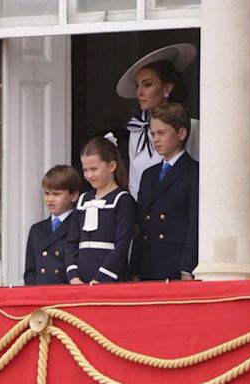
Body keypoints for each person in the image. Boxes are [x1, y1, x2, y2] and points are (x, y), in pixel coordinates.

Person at [116, 43, 200, 200]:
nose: (139, 92)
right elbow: (135, 183)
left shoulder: (192, 126)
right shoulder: (137, 130)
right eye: (137, 86)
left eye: (147, 84)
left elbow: (197, 176)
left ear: (167, 88)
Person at [129, 103, 199, 281]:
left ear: (181, 133)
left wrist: (187, 268)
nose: (155, 140)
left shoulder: (194, 172)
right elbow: (141, 225)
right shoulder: (148, 175)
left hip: (174, 262)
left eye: (162, 133)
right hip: (148, 263)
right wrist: (134, 269)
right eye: (152, 134)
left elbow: (194, 224)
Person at [66, 133, 136, 284]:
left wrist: (101, 278)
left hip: (110, 280)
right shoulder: (83, 199)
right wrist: (73, 276)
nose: (89, 175)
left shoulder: (122, 200)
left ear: (112, 166)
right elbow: (72, 241)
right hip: (80, 282)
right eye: (85, 170)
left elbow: (122, 245)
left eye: (94, 169)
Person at [24, 165, 81, 285]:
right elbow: (30, 271)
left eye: (56, 194)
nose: (50, 199)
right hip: (41, 295)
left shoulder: (79, 225)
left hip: (66, 293)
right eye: (47, 193)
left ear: (73, 195)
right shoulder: (37, 230)